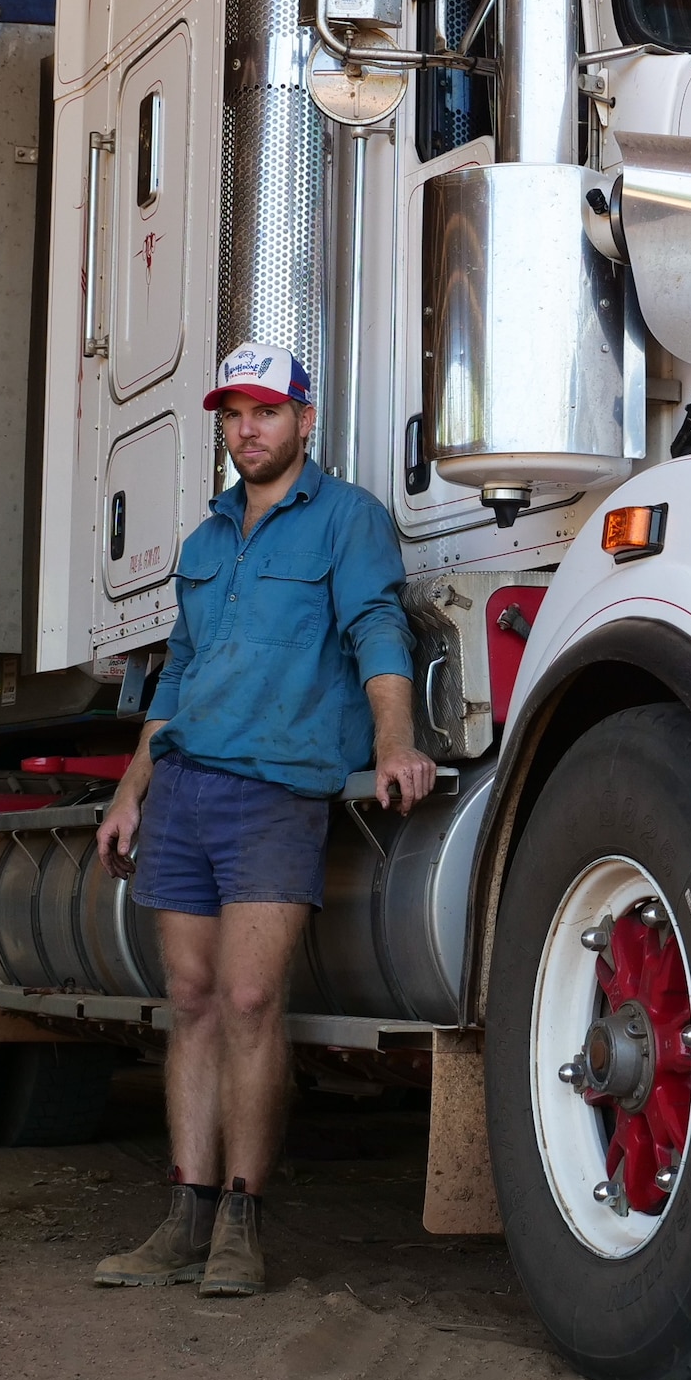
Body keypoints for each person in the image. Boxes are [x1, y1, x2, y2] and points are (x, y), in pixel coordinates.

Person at [90, 341, 436, 1297]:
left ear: (305, 421)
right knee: (190, 1002)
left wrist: (395, 740)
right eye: (234, 414)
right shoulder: (204, 545)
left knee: (248, 1001)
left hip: (277, 788)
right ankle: (183, 1217)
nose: (248, 429)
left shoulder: (348, 522)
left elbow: (377, 628)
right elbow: (179, 674)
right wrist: (131, 788)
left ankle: (242, 1222)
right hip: (186, 783)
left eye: (267, 412)